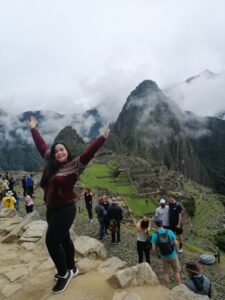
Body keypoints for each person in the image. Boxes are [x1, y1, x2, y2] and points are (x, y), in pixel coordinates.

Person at [27, 115, 109, 294]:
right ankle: (72, 268)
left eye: (62, 150)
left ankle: (63, 274)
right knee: (64, 239)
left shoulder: (75, 166)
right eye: (57, 151)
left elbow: (88, 153)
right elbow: (41, 146)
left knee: (51, 242)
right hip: (51, 209)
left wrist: (102, 138)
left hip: (66, 209)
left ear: (67, 151)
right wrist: (34, 128)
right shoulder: (51, 161)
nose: (59, 153)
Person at [151, 218, 181, 288]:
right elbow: (176, 243)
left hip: (164, 256)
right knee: (176, 272)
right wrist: (176, 252)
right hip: (173, 255)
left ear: (156, 225)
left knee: (165, 273)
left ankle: (166, 288)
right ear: (162, 224)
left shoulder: (154, 235)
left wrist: (157, 254)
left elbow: (153, 249)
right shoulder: (169, 231)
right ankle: (179, 287)